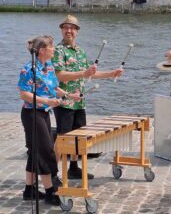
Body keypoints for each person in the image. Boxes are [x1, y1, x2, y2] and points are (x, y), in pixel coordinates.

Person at [52, 15, 123, 180]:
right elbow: (59, 75)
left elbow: (89, 74)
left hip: (79, 103)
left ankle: (73, 168)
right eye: (65, 27)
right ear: (62, 30)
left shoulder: (81, 52)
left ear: (77, 31)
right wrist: (83, 73)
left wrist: (111, 73)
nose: (68, 30)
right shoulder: (58, 50)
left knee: (78, 136)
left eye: (72, 28)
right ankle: (53, 173)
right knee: (62, 138)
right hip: (64, 102)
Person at [18, 36, 80, 205]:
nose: (54, 50)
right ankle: (50, 191)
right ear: (43, 50)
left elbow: (53, 87)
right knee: (46, 151)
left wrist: (67, 95)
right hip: (32, 114)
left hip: (44, 114)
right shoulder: (29, 68)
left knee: (35, 151)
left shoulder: (49, 67)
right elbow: (23, 94)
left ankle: (29, 190)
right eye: (52, 47)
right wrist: (47, 101)